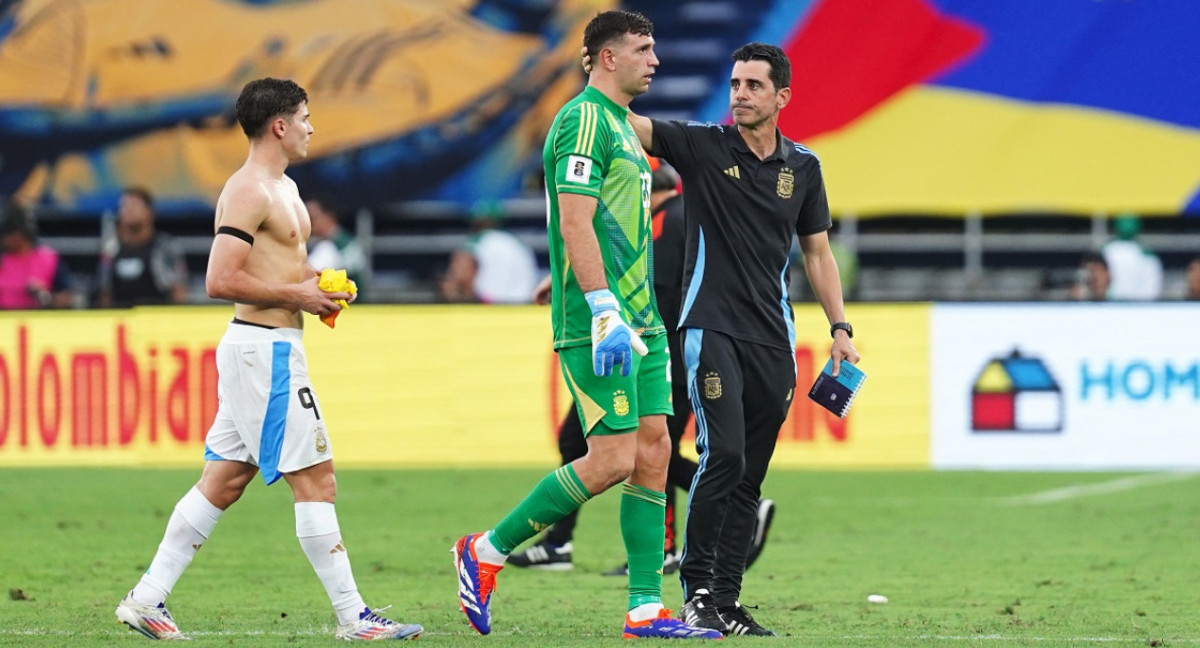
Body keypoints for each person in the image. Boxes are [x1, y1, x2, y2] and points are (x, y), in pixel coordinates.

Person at [114, 78, 422, 642]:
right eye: (305, 116)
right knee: (318, 481)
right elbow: (219, 278)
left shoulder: (284, 187)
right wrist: (299, 297)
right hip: (265, 351)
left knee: (225, 480)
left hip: (264, 348)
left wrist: (320, 286)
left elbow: (280, 270)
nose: (311, 126)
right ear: (279, 125)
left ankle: (147, 598)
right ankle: (354, 618)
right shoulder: (248, 189)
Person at [452, 11, 722, 640]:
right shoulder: (581, 118)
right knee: (610, 458)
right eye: (643, 48)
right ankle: (485, 551)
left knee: (655, 451)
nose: (655, 60)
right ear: (605, 57)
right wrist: (603, 309)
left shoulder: (627, 128)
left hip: (645, 320)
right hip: (601, 319)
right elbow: (574, 219)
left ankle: (645, 609)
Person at [586, 41, 860, 636]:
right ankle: (698, 591)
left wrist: (839, 329)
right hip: (709, 328)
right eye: (735, 84)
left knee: (750, 475)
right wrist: (602, 72)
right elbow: (622, 121)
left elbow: (817, 253)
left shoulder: (804, 168)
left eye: (753, 86)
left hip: (773, 338)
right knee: (724, 456)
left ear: (782, 96)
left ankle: (729, 601)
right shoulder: (704, 147)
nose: (739, 94)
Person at [509, 162, 777, 577]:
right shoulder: (677, 217)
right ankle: (562, 543)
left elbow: (655, 296)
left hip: (658, 354)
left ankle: (677, 536)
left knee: (647, 449)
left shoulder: (667, 222)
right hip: (678, 352)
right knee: (626, 447)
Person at [95, 187, 189, 307]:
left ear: (149, 212)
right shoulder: (111, 250)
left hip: (157, 318)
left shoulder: (165, 247)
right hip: (121, 320)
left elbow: (178, 290)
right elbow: (104, 292)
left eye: (134, 206)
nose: (128, 211)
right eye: (124, 207)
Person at [438, 199, 539, 304]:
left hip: (488, 307)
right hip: (523, 307)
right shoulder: (519, 244)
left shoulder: (478, 241)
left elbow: (462, 272)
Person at [0, 198, 73, 309]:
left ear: (20, 233)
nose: (3, 240)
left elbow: (67, 298)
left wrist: (45, 296)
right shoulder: (2, 258)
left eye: (6, 236)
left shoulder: (48, 259)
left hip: (39, 322)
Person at [305, 194, 369, 297]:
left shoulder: (329, 247)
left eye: (312, 218)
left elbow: (305, 278)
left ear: (329, 217)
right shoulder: (347, 240)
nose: (307, 223)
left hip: (345, 306)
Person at [1101, 212, 1162, 301]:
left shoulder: (1146, 254)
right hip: (1111, 304)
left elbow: (1152, 287)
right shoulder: (1106, 251)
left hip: (1136, 306)